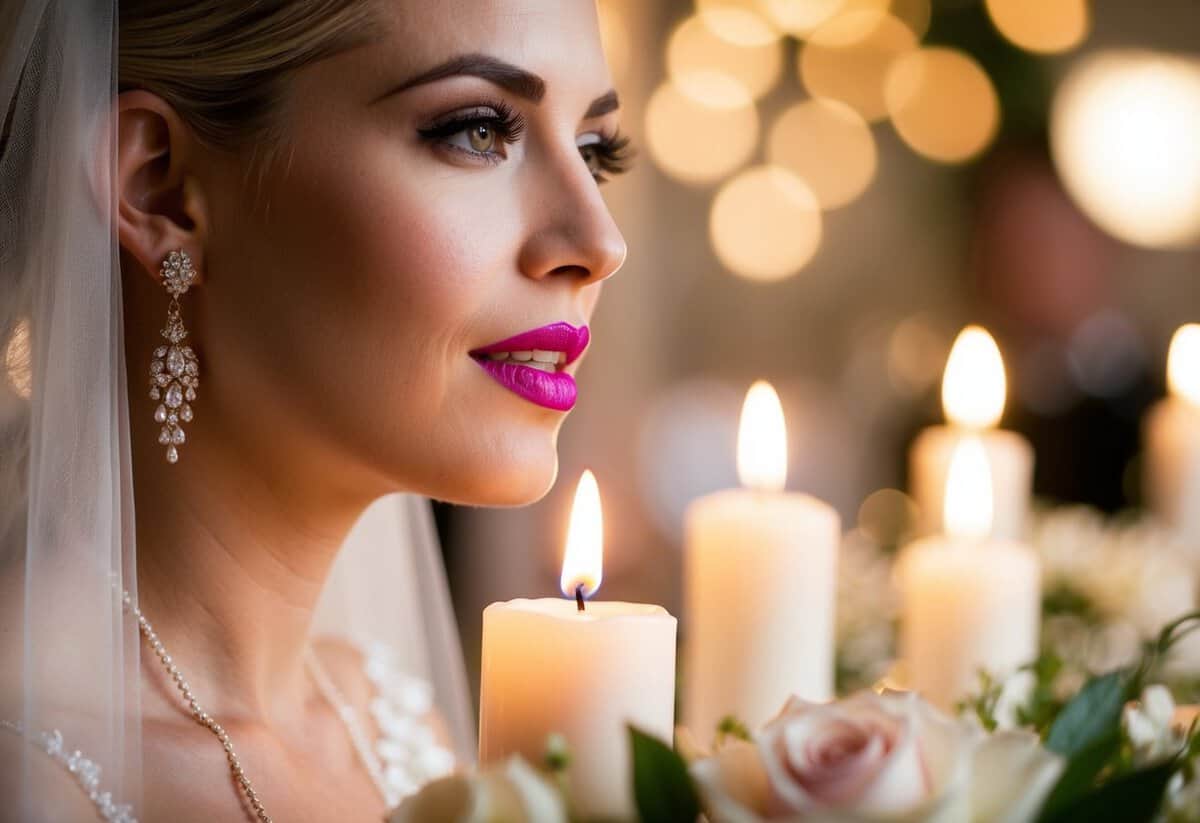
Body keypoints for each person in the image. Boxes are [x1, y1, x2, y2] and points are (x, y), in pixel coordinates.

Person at [0, 0, 629, 820]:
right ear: (159, 189)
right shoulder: (27, 770)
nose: (600, 241)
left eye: (594, 150)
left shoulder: (393, 726)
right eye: (478, 131)